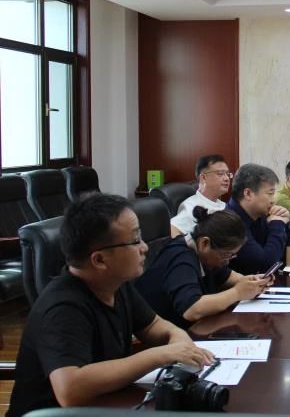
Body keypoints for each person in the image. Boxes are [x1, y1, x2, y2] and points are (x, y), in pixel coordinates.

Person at [7, 194, 214, 417]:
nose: (144, 247)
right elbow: (70, 390)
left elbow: (155, 326)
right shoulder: (62, 307)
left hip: (108, 407)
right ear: (99, 260)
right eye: (135, 240)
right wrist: (161, 355)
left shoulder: (114, 284)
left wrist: (179, 342)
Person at [136, 207, 272, 329]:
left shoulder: (207, 256)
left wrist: (253, 283)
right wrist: (237, 293)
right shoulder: (181, 258)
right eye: (227, 255)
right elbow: (192, 309)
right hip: (155, 338)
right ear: (204, 243)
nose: (227, 261)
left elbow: (226, 276)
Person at [227, 163, 290, 274]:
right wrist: (277, 224)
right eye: (270, 193)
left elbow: (285, 253)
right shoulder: (230, 222)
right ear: (248, 194)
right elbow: (265, 264)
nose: (273, 200)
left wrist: (284, 222)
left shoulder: (259, 213)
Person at [170, 154, 232, 237]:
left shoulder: (223, 204)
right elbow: (173, 229)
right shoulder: (192, 206)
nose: (227, 178)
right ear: (203, 177)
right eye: (220, 174)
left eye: (228, 174)